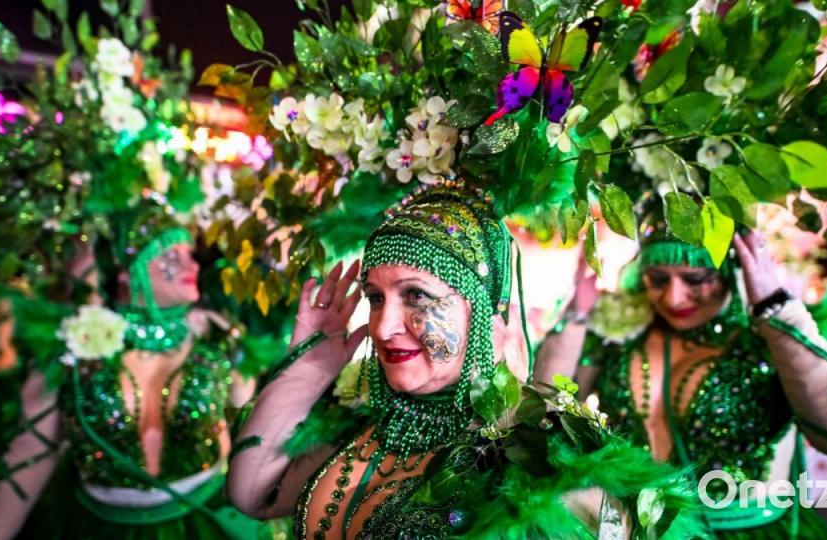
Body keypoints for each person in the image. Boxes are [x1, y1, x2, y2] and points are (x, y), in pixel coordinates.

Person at [228, 182, 703, 539]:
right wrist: (312, 363)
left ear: (484, 316)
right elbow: (252, 493)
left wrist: (515, 424)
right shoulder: (365, 419)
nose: (383, 325)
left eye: (416, 295)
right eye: (374, 298)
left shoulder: (539, 452)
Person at [535, 213, 827, 538]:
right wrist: (577, 318)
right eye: (658, 279)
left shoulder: (770, 340)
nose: (674, 298)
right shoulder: (620, 338)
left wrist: (777, 313)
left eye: (696, 278)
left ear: (730, 268)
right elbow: (548, 417)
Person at [0, 206, 263, 540]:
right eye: (171, 254)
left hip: (210, 523)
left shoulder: (220, 340)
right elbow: (30, 459)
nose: (192, 263)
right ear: (126, 271)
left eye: (190, 253)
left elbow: (255, 438)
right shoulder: (71, 346)